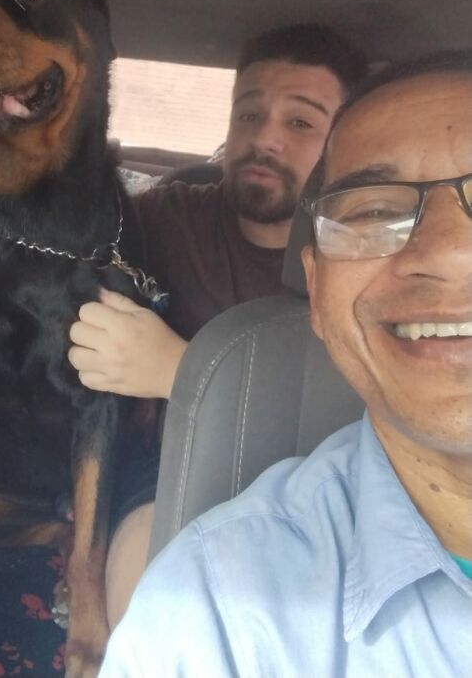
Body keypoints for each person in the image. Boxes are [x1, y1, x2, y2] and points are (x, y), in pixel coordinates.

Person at [99, 51, 472, 677]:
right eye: (374, 211)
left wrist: (179, 368)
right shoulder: (214, 609)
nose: (449, 250)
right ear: (317, 291)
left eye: (301, 123)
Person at [68, 23, 365, 622]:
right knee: (149, 576)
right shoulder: (160, 219)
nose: (266, 140)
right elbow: (42, 255)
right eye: (248, 115)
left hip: (334, 488)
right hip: (176, 475)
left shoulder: (367, 253)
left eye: (301, 123)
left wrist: (181, 371)